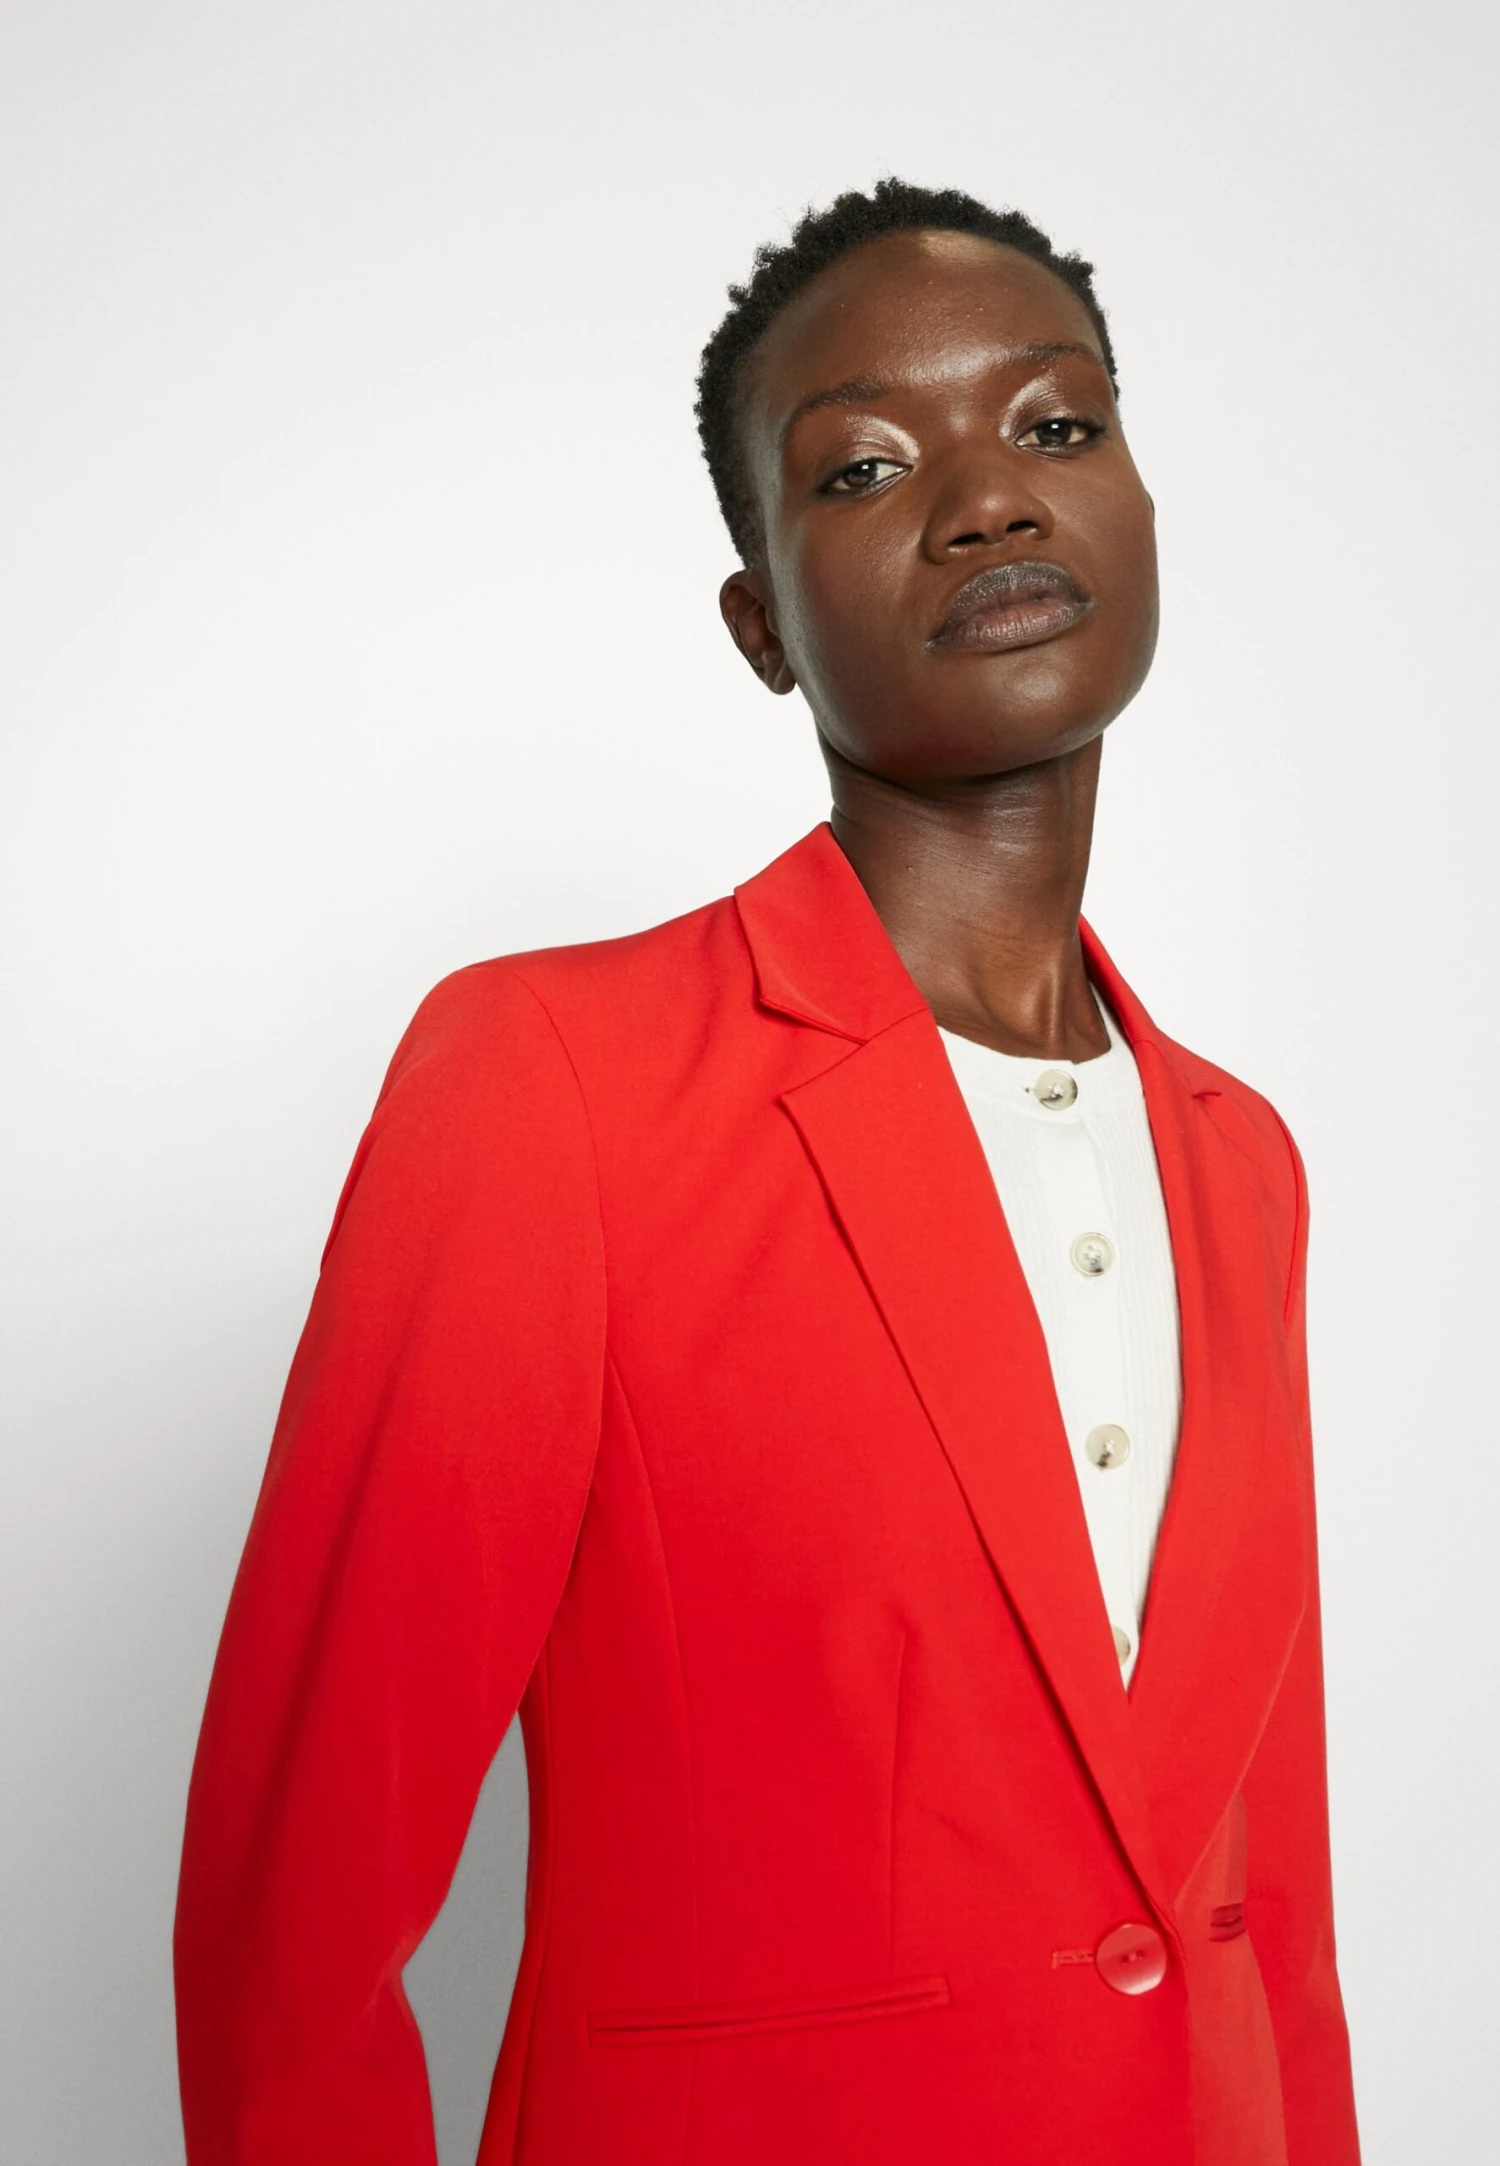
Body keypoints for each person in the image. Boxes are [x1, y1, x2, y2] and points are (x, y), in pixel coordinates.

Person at [173, 179, 1360, 2165]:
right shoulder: (550, 1081)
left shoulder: (1242, 1160)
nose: (987, 500)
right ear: (761, 626)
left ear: (1144, 509)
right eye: (866, 467)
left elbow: (1269, 1897)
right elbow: (295, 1927)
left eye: (1057, 425)